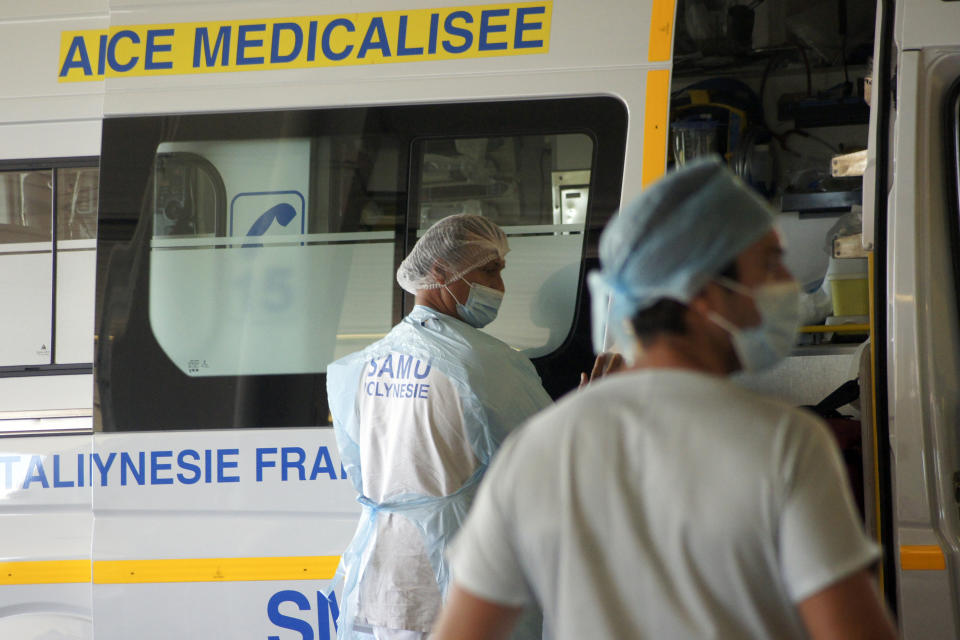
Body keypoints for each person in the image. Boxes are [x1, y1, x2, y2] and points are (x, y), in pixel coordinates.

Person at [432, 157, 897, 640]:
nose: (785, 286)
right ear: (702, 294)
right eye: (769, 264)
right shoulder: (787, 444)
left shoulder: (538, 449)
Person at [327, 214, 560, 640]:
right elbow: (549, 466)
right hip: (459, 592)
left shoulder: (358, 368)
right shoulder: (485, 364)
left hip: (383, 583)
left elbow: (364, 473)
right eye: (490, 270)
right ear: (440, 272)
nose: (500, 288)